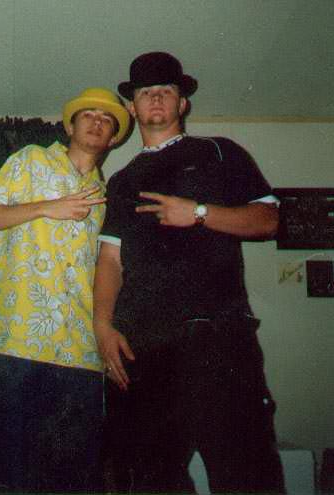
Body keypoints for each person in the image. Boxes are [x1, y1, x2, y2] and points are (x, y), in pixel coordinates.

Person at [94, 52, 286, 494]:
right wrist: (102, 326)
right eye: (145, 92)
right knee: (146, 478)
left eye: (166, 90)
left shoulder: (220, 152)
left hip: (218, 339)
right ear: (132, 107)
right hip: (144, 348)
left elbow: (268, 221)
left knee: (246, 474)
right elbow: (109, 260)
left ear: (182, 103)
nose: (155, 98)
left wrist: (198, 213)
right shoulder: (121, 181)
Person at [0, 87, 129, 493]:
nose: (97, 122)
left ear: (113, 138)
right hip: (19, 339)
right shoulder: (30, 160)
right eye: (88, 114)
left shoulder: (106, 196)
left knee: (75, 475)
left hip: (81, 349)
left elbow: (108, 270)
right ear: (70, 126)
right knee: (13, 472)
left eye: (106, 119)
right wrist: (45, 207)